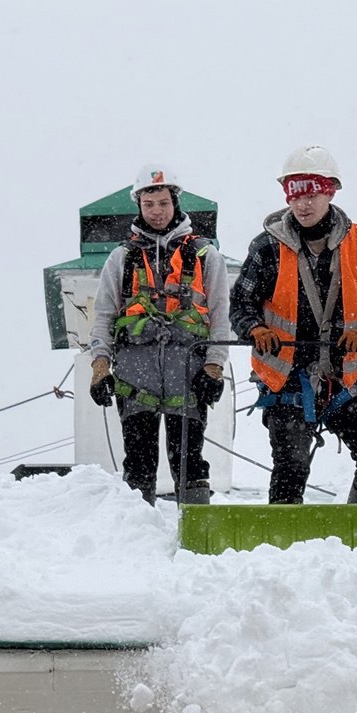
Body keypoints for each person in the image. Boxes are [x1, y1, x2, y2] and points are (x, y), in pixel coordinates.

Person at [230, 145, 357, 504]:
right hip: (285, 379)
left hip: (343, 378)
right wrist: (254, 330)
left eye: (311, 193)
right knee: (291, 465)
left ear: (330, 191)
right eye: (294, 194)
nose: (302, 204)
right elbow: (240, 305)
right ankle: (281, 544)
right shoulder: (266, 248)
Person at [88, 165, 231, 505]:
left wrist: (214, 367)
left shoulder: (205, 256)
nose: (156, 211)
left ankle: (198, 536)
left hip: (189, 372)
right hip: (134, 374)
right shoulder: (121, 258)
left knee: (190, 460)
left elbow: (220, 315)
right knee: (138, 461)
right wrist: (99, 367)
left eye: (163, 203)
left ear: (175, 203)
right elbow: (104, 315)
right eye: (149, 203)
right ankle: (137, 538)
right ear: (138, 204)